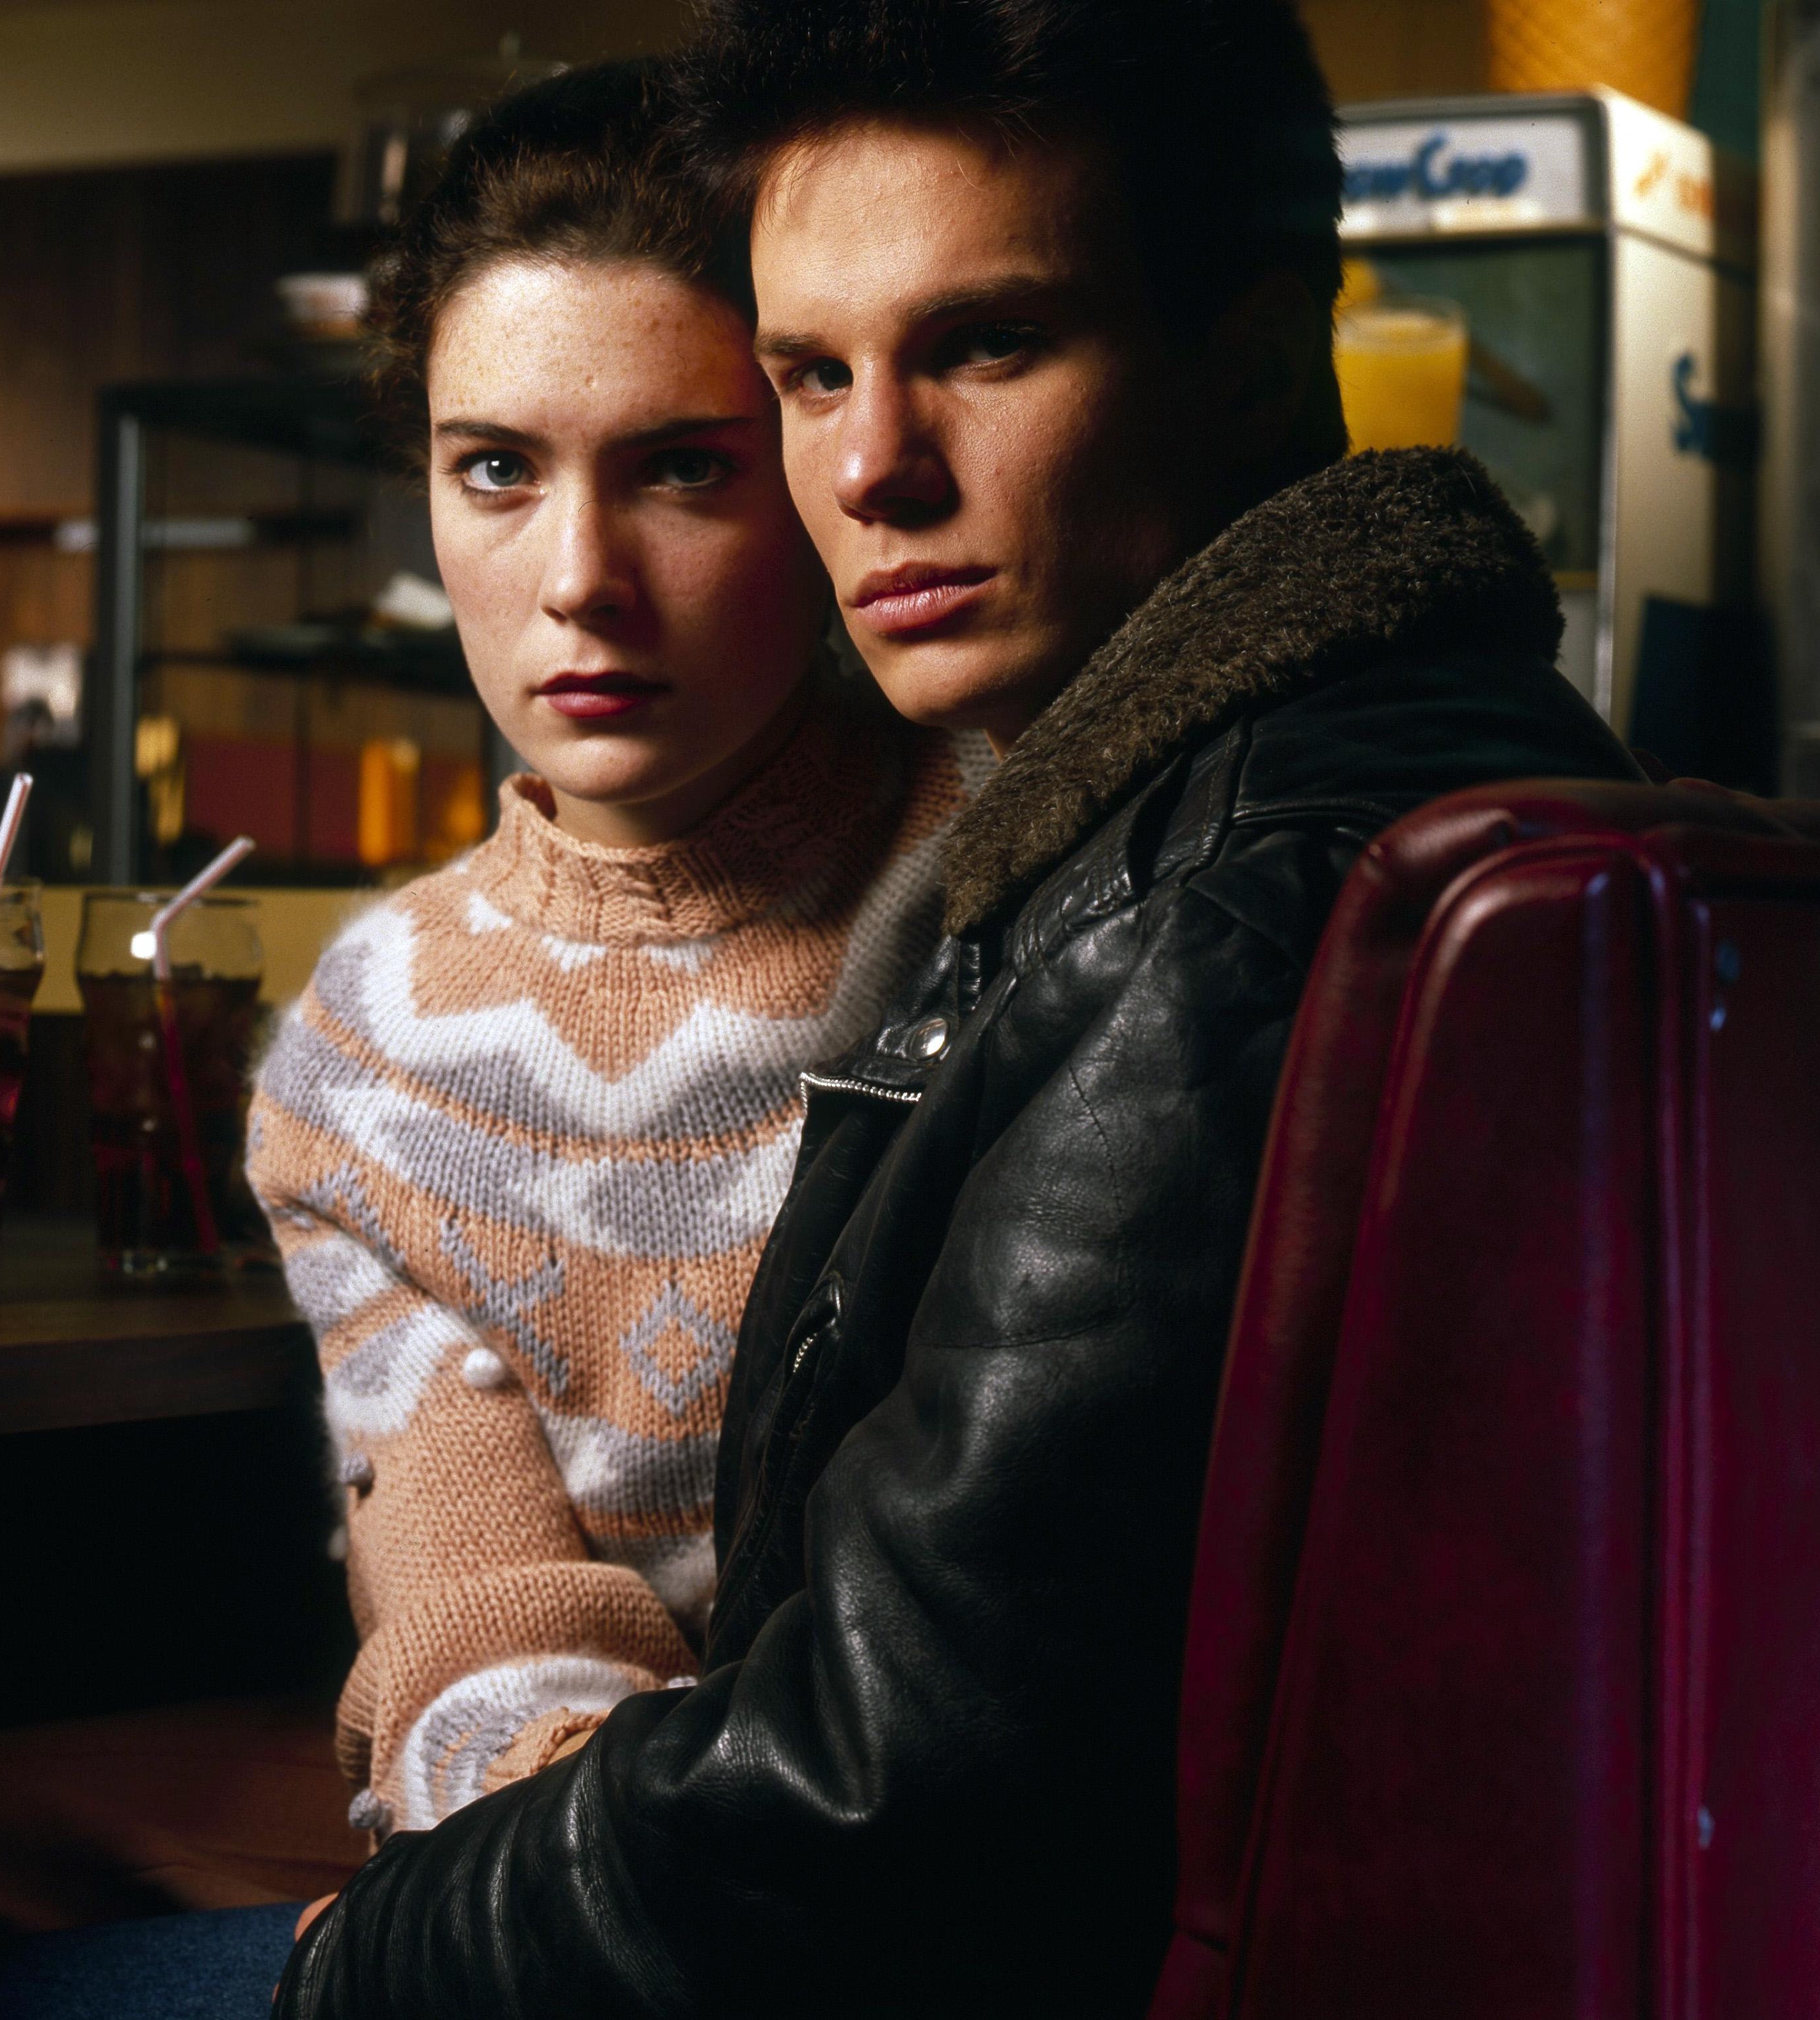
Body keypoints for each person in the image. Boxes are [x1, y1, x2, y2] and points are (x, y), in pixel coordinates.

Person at [260, 1, 1651, 2013]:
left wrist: (365, 1968)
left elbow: (882, 1816)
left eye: (989, 345)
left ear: (1254, 354)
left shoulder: (1204, 909)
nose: (871, 471)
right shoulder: (1334, 772)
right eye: (813, 375)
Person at [246, 61, 978, 1852]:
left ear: (814, 473)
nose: (579, 576)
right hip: (607, 1892)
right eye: (497, 468)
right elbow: (476, 1624)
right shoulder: (365, 1051)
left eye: (682, 469)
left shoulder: (1030, 875)